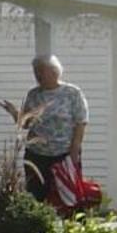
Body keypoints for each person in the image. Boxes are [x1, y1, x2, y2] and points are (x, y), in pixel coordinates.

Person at [20, 55, 89, 205]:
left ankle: (73, 226)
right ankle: (38, 226)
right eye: (35, 72)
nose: (38, 76)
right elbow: (26, 123)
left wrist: (74, 150)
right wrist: (15, 114)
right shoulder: (33, 94)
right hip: (37, 154)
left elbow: (81, 122)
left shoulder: (72, 93)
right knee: (36, 194)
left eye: (41, 72)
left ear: (54, 72)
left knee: (68, 196)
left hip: (64, 153)